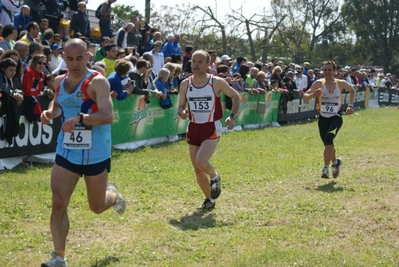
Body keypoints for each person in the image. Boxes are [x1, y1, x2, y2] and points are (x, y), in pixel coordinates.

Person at [40, 38, 126, 267]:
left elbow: (107, 116)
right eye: (69, 59)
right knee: (58, 202)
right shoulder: (59, 81)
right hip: (67, 151)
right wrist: (50, 113)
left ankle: (114, 196)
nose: (74, 63)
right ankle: (58, 257)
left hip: (95, 153)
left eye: (79, 58)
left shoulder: (98, 83)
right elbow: (58, 106)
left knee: (96, 207)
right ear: (63, 58)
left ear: (88, 57)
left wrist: (81, 118)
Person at [177, 50, 240, 209]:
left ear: (207, 64)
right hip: (193, 127)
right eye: (193, 61)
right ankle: (209, 199)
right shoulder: (186, 83)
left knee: (201, 161)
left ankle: (215, 176)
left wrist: (232, 116)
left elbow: (236, 96)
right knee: (197, 169)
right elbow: (180, 106)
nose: (196, 64)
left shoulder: (216, 82)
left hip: (210, 127)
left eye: (199, 62)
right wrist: (182, 112)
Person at [302, 60, 355, 179]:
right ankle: (335, 162)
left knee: (329, 138)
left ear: (335, 71)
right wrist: (313, 94)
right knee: (328, 145)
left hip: (336, 117)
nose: (327, 72)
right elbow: (305, 98)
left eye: (330, 69)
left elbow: (352, 90)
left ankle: (325, 168)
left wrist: (350, 106)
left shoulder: (340, 83)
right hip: (322, 119)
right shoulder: (318, 84)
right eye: (325, 70)